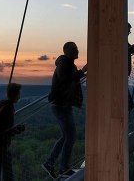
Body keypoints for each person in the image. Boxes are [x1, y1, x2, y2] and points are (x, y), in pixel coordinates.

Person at [43, 42, 84, 178]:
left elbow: (69, 80)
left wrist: (80, 73)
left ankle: (51, 163)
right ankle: (63, 168)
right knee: (70, 135)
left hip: (62, 105)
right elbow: (64, 79)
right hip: (61, 105)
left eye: (76, 48)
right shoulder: (64, 63)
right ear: (66, 51)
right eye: (73, 48)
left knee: (67, 136)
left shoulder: (68, 64)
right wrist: (83, 71)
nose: (76, 50)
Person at [0, 83, 26, 181]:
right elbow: (7, 131)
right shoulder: (8, 109)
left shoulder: (4, 106)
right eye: (18, 94)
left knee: (4, 169)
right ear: (15, 95)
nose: (19, 96)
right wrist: (17, 130)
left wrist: (15, 128)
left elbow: (4, 127)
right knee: (8, 173)